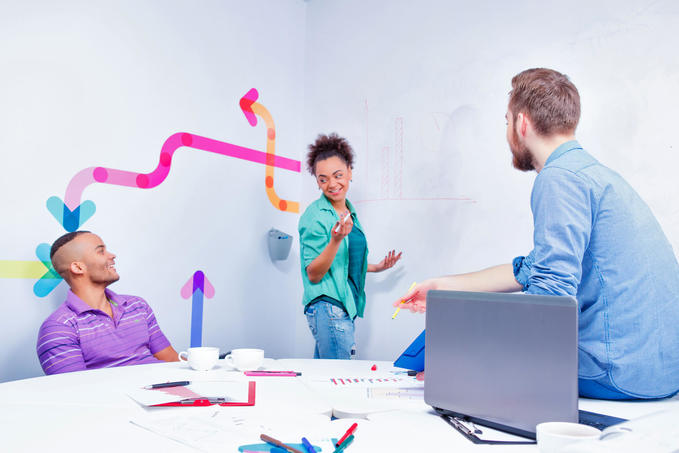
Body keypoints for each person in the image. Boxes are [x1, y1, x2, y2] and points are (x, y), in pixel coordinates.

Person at [396, 68, 679, 400]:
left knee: (462, 359)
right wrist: (441, 286)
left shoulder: (560, 179)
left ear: (521, 123)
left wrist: (469, 365)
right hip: (660, 376)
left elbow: (550, 297)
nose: (507, 131)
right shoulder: (594, 175)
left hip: (615, 373)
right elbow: (531, 269)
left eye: (506, 121)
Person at [299, 133, 402, 359]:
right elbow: (314, 274)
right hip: (328, 306)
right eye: (323, 179)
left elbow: (342, 261)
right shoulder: (315, 216)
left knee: (326, 375)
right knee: (338, 376)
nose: (332, 184)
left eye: (338, 175)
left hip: (343, 305)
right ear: (317, 181)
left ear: (349, 172)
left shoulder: (348, 211)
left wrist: (377, 267)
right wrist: (335, 240)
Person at [37, 231, 179, 375]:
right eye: (101, 251)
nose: (112, 255)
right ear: (78, 268)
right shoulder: (58, 327)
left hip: (167, 386)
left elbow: (171, 360)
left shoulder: (137, 305)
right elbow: (74, 387)